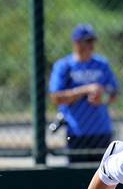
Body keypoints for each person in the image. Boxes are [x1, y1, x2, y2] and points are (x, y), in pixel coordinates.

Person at [49, 24, 118, 163]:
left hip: (101, 130)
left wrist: (102, 97)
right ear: (76, 42)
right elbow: (56, 97)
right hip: (76, 131)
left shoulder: (101, 64)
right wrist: (85, 90)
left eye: (92, 41)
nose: (91, 45)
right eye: (87, 41)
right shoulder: (65, 66)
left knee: (104, 173)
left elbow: (113, 92)